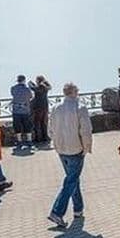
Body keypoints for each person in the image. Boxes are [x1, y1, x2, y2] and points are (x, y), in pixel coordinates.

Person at [47, 83, 93, 228]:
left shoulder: (55, 108)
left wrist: (56, 142)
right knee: (71, 180)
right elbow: (86, 131)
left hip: (61, 149)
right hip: (75, 149)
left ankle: (78, 209)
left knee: (73, 179)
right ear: (74, 92)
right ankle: (57, 212)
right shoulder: (80, 108)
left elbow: (50, 130)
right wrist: (87, 148)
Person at [11, 75, 34, 150]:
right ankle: (29, 141)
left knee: (17, 126)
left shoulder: (13, 88)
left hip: (16, 110)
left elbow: (13, 94)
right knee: (27, 126)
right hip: (25, 110)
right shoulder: (27, 89)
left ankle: (19, 141)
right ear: (24, 80)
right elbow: (31, 96)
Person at [28, 76, 51, 144]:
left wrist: (30, 83)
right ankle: (45, 137)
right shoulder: (46, 86)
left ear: (38, 80)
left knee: (37, 123)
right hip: (45, 107)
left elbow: (34, 88)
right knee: (44, 123)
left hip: (38, 107)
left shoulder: (41, 86)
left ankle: (38, 138)